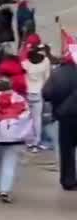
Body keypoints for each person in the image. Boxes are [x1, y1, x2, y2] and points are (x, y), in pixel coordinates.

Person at [0, 78, 29, 203]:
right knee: (9, 164)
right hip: (15, 137)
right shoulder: (20, 100)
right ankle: (5, 190)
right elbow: (26, 116)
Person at [42, 50, 77, 190]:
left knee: (66, 150)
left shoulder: (57, 74)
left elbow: (46, 94)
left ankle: (68, 180)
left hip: (64, 117)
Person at [22, 40, 52, 152]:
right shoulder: (45, 62)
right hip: (39, 92)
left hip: (27, 92)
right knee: (37, 118)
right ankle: (37, 141)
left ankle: (28, 141)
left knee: (27, 118)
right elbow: (47, 78)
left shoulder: (25, 63)